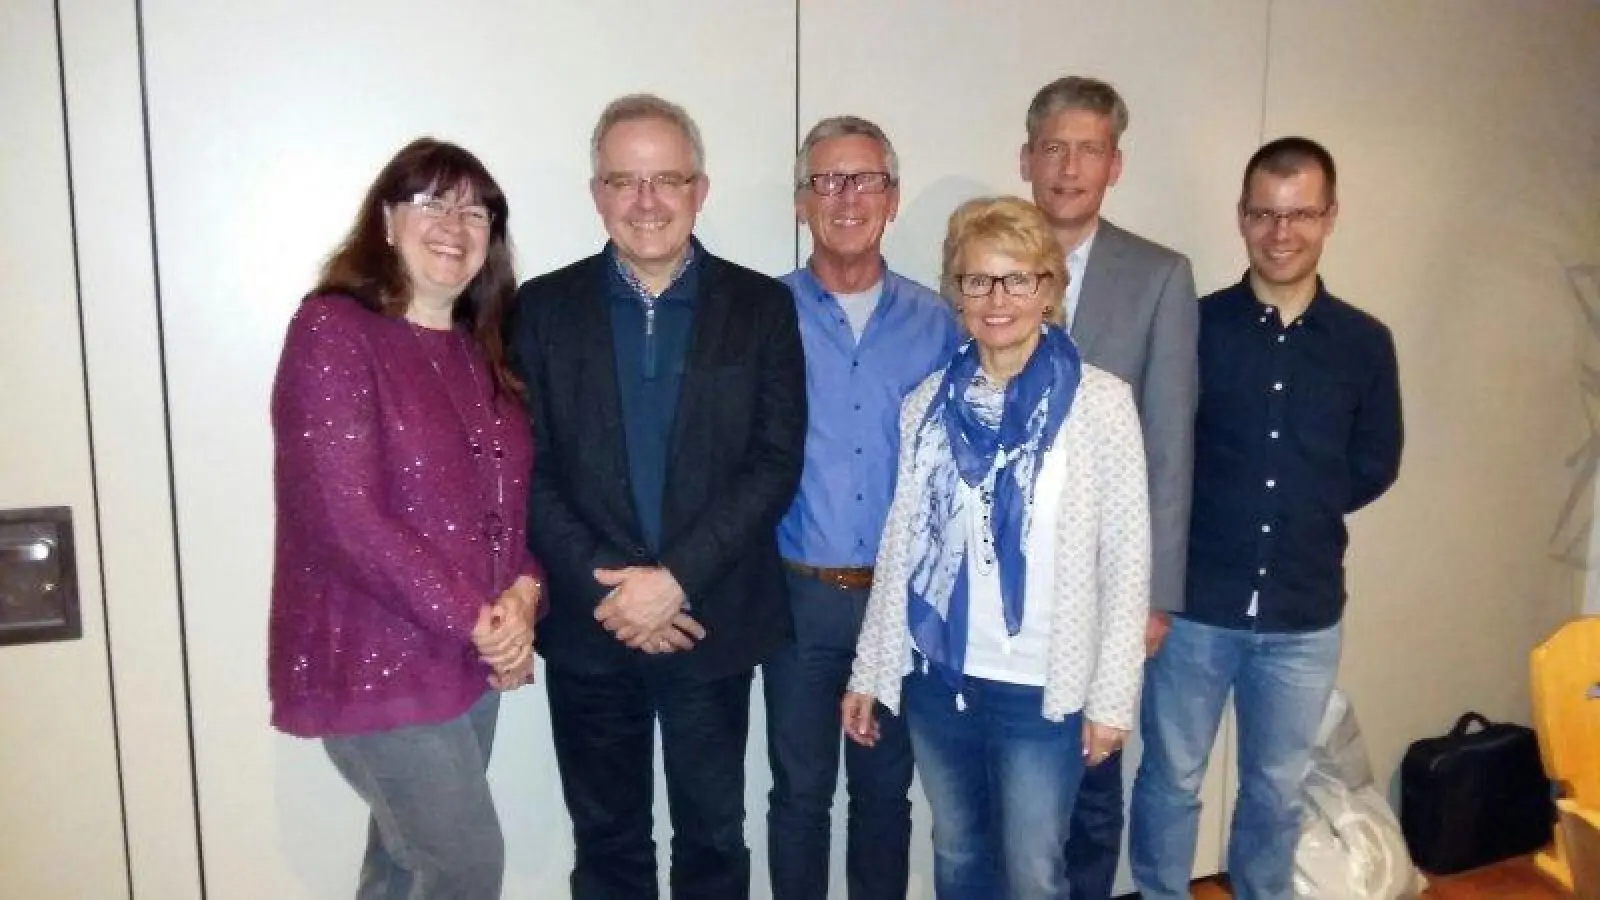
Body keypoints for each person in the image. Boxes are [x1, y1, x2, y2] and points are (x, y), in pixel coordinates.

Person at [507, 94, 807, 900]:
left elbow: (774, 463)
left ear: (700, 189)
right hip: (588, 622)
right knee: (607, 841)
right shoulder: (538, 309)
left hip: (708, 620)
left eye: (667, 179)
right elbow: (524, 469)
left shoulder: (762, 308)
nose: (647, 202)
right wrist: (614, 589)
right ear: (597, 193)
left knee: (714, 838)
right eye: (625, 181)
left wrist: (675, 579)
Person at [843, 196, 1150, 900]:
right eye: (978, 280)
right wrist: (870, 672)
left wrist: (1112, 699)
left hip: (1044, 687)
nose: (997, 298)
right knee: (957, 857)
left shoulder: (1101, 404)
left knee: (1035, 872)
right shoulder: (926, 403)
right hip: (942, 679)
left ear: (1049, 288)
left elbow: (1128, 562)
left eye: (1018, 278)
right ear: (957, 295)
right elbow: (902, 551)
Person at [1129, 137, 1404, 900]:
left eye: (1301, 215)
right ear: (1243, 218)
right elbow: (1163, 449)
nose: (1281, 234)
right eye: (1264, 214)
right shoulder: (1197, 326)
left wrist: (1292, 506)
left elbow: (1376, 462)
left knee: (1275, 794)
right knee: (1171, 781)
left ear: (1330, 217)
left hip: (1304, 615)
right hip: (1196, 610)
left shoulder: (1363, 343)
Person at [268, 137, 541, 899]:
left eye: (476, 210)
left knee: (401, 863)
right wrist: (483, 619)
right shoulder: (333, 333)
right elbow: (347, 519)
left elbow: (511, 508)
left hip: (467, 659)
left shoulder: (481, 352)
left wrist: (524, 595)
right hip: (373, 659)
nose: (456, 223)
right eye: (432, 202)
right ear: (387, 221)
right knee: (463, 867)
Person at [766, 115, 959, 900]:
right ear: (801, 202)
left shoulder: (942, 323)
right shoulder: (760, 314)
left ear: (893, 198)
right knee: (799, 796)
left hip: (901, 602)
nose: (847, 197)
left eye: (866, 179)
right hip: (797, 598)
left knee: (884, 797)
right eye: (828, 180)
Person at [1018, 75, 1199, 900]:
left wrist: (1153, 598)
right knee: (1007, 793)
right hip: (1001, 587)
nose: (1068, 166)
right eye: (1053, 147)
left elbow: (1169, 443)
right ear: (1027, 158)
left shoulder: (1160, 275)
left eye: (1087, 149)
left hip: (1102, 586)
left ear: (1115, 164)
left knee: (1092, 787)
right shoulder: (989, 257)